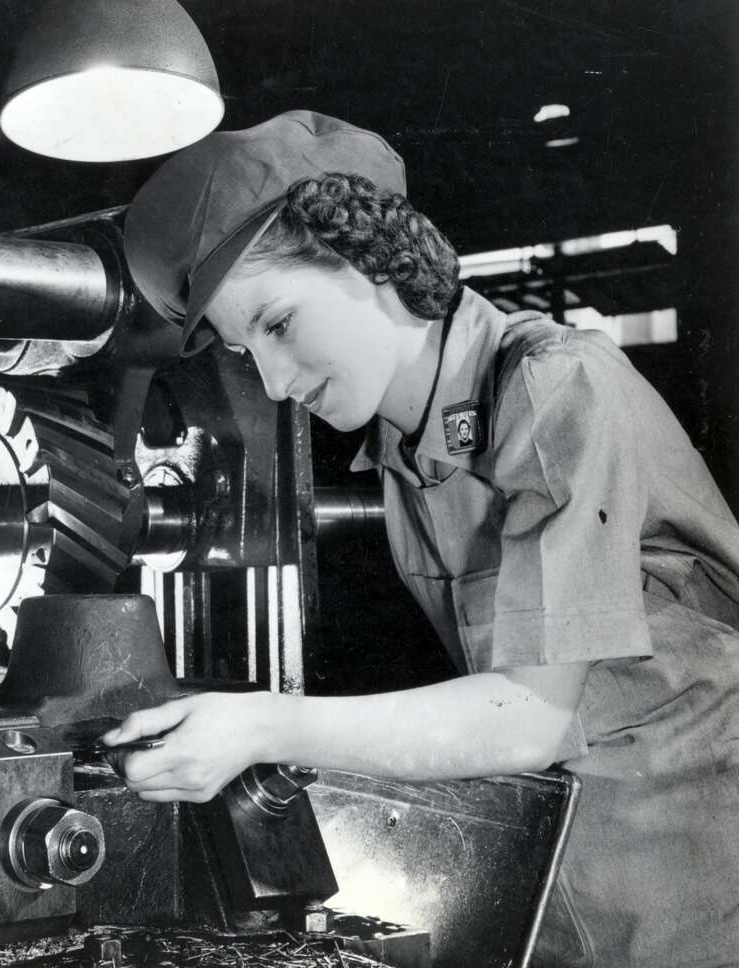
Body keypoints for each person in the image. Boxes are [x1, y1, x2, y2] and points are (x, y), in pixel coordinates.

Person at [110, 110, 739, 967]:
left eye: (280, 323)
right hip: (572, 896)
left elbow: (529, 720)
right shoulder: (409, 453)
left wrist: (262, 728)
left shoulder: (557, 387)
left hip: (697, 899)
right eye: (240, 348)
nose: (274, 381)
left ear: (369, 259)